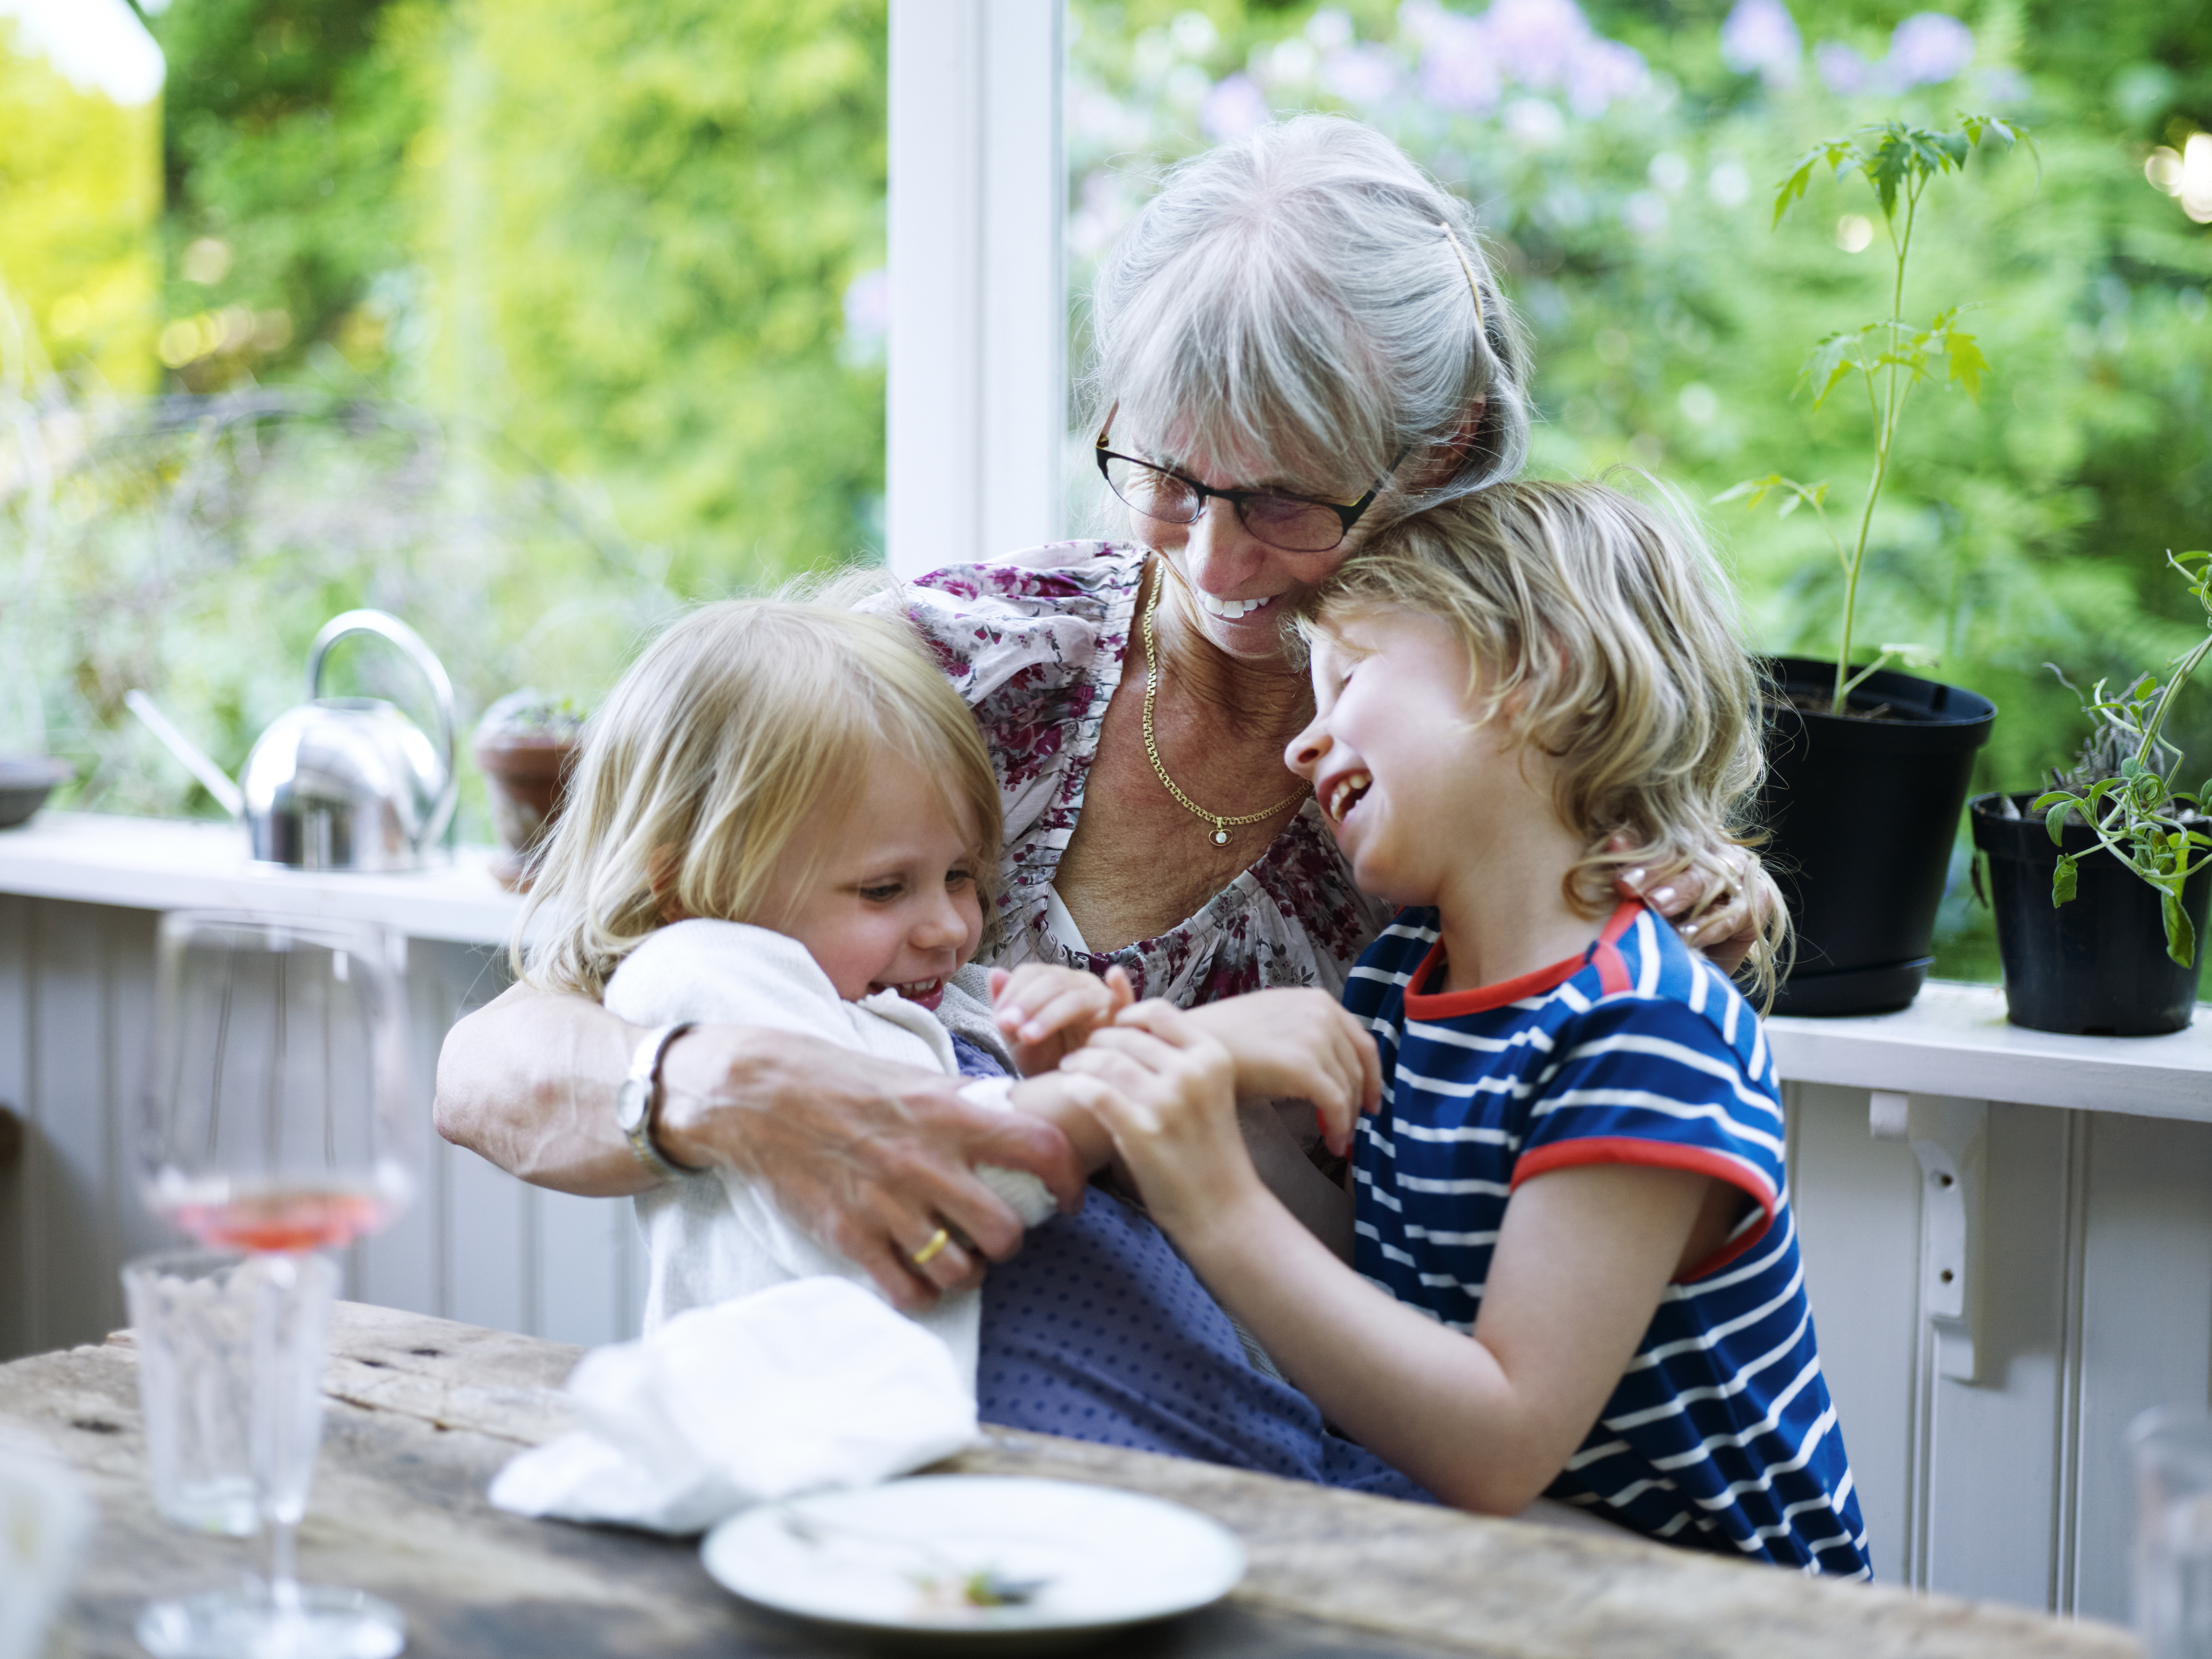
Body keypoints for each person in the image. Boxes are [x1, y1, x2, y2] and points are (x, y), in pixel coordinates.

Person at [1054, 480, 1870, 1574]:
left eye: (1350, 679)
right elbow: (1387, 1278)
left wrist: (1215, 1203)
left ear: (1538, 675)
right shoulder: (1401, 978)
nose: (1304, 745)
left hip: (1729, 1607)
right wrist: (1169, 1112)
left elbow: (1499, 1445)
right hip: (1530, 1569)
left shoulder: (1643, 1029)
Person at [509, 587, 1433, 1497]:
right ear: (691, 886)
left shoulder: (935, 1004)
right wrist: (1183, 1056)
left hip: (1227, 1442)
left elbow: (1065, 1161)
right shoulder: (700, 971)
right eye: (884, 889)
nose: (952, 927)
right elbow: (936, 1175)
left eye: (960, 875)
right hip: (963, 1481)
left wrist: (1078, 1059)